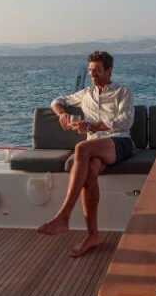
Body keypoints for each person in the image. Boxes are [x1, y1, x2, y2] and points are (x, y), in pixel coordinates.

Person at [38, 51, 134, 257]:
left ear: (109, 71)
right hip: (96, 148)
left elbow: (125, 121)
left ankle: (64, 215)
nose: (92, 74)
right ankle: (93, 235)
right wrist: (62, 113)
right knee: (90, 170)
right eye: (91, 70)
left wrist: (91, 126)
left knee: (81, 148)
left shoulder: (123, 91)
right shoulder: (85, 94)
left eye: (97, 70)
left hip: (121, 142)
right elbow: (57, 100)